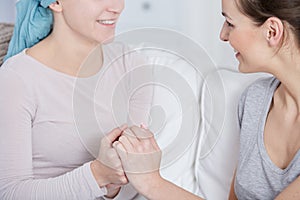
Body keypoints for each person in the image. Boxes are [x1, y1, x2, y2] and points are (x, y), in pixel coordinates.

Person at [112, 0, 300, 199]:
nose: (223, 35)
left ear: (271, 31)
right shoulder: (255, 100)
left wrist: (151, 182)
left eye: (230, 23)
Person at [0, 0, 153, 199]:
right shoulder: (17, 79)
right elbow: (9, 193)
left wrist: (115, 183)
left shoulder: (131, 66)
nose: (117, 7)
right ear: (56, 2)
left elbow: (136, 183)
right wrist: (98, 174)